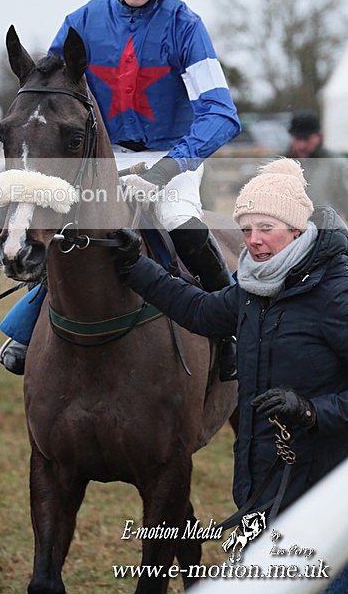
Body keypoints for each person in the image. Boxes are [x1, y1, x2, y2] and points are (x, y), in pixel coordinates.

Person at [0, 0, 241, 375]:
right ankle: (30, 325)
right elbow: (51, 102)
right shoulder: (81, 22)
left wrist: (167, 169)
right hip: (98, 159)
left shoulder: (185, 26)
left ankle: (229, 329)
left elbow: (221, 115)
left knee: (178, 221)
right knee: (61, 226)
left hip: (172, 158)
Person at [111, 158, 348, 536]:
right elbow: (200, 310)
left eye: (267, 228)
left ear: (297, 229)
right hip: (263, 476)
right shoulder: (257, 286)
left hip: (326, 485)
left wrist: (309, 411)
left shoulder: (337, 291)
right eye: (246, 228)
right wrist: (133, 266)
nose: (253, 239)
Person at [287, 110, 348, 221]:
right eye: (297, 139)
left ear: (318, 137)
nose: (301, 145)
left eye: (306, 139)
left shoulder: (337, 166)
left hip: (328, 234)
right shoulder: (280, 165)